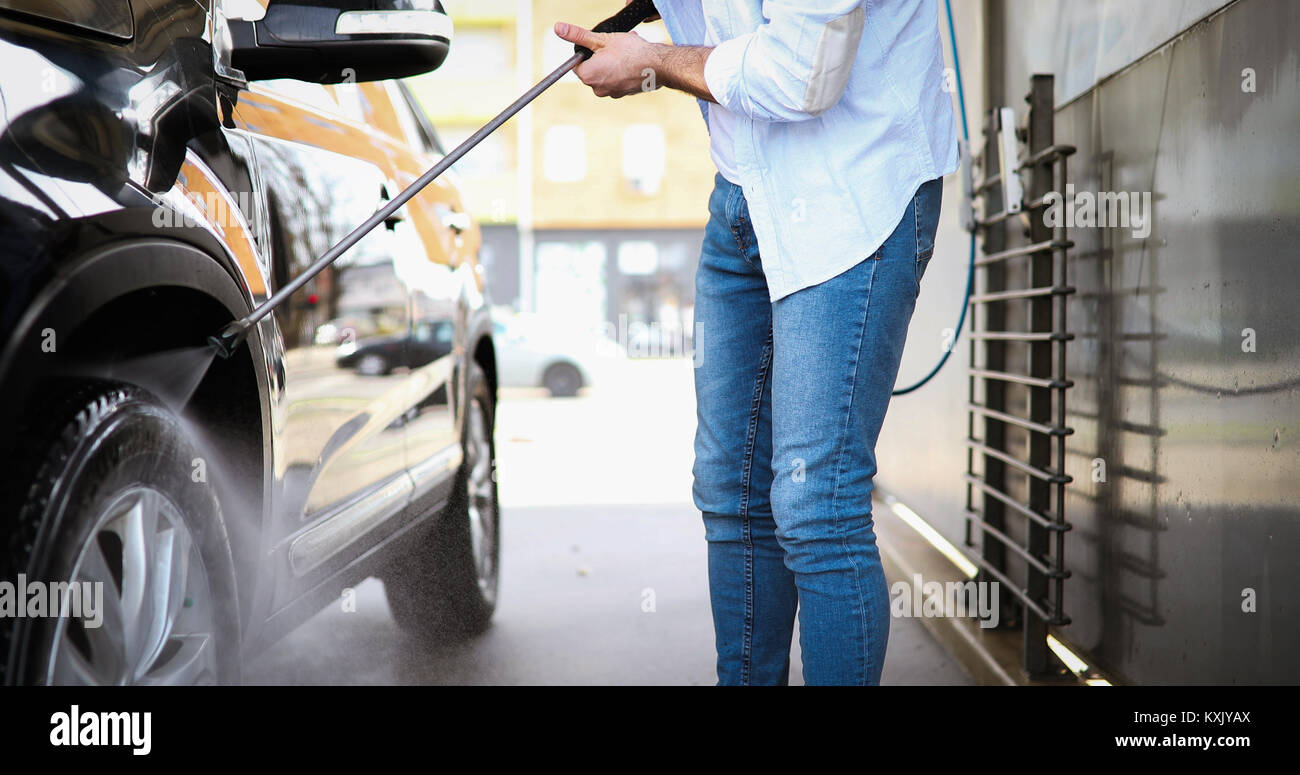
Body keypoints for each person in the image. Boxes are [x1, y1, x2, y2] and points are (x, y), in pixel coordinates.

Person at [555, 0, 957, 685]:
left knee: (816, 506)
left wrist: (652, 61)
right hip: (744, 191)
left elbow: (804, 75)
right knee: (729, 490)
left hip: (853, 189)